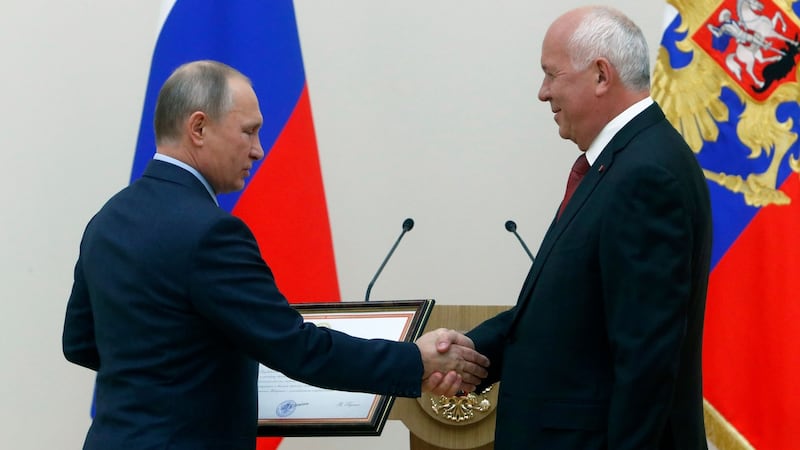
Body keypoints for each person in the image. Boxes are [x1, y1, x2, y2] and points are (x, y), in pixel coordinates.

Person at [62, 60, 489, 450]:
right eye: (248, 130)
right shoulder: (211, 232)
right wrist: (415, 359)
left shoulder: (107, 220)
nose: (258, 149)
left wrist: (165, 371)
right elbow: (297, 349)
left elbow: (79, 344)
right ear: (198, 128)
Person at [439, 6, 712, 449]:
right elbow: (567, 312)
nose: (543, 93)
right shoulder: (620, 163)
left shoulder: (646, 175)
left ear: (601, 76)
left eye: (551, 74)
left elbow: (646, 359)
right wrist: (469, 351)